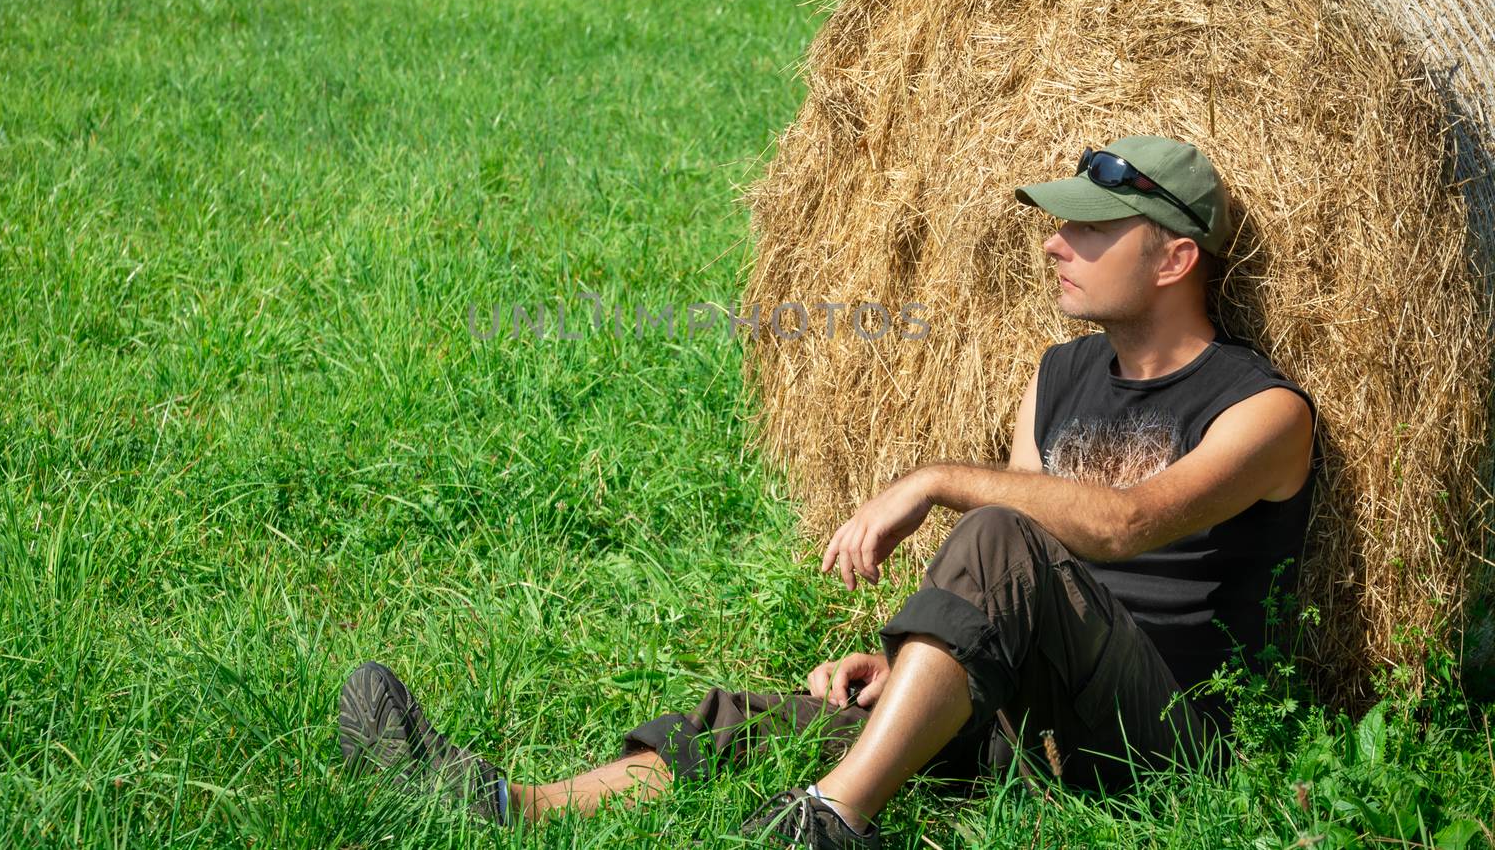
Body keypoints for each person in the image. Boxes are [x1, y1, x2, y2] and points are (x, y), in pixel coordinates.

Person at [336, 135, 1317, 848]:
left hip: (1161, 736)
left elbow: (1123, 522)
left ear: (1174, 256)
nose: (1054, 241)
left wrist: (934, 478)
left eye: (1091, 228)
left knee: (1000, 528)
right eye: (1059, 221)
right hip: (1031, 718)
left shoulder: (1263, 409)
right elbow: (1005, 580)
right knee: (763, 719)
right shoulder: (1057, 375)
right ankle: (506, 805)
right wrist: (920, 654)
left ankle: (831, 821)